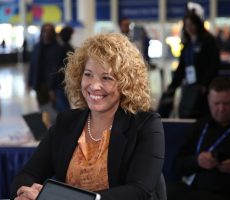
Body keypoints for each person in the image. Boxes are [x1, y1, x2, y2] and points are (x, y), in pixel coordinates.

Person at [11, 33, 166, 200]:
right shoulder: (66, 122)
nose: (94, 85)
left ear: (126, 83)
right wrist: (24, 194)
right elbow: (27, 174)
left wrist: (62, 199)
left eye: (106, 77)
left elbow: (138, 191)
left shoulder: (147, 125)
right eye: (88, 74)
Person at [167, 77, 230, 200]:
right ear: (208, 101)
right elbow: (176, 165)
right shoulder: (200, 126)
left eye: (226, 103)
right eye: (216, 103)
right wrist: (197, 160)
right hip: (195, 189)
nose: (221, 109)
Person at [157, 10, 220, 118]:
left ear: (197, 24)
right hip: (190, 85)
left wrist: (205, 84)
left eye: (191, 24)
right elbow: (182, 67)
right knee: (187, 112)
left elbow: (214, 64)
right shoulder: (187, 43)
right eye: (187, 25)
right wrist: (172, 86)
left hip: (204, 87)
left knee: (202, 113)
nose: (189, 28)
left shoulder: (208, 40)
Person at [27, 23, 64, 121]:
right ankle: (46, 128)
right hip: (39, 83)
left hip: (52, 84)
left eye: (49, 31)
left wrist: (52, 88)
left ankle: (55, 128)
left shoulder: (58, 48)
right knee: (43, 108)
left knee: (53, 108)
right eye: (45, 31)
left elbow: (56, 69)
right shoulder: (37, 47)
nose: (46, 34)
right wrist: (29, 82)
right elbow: (33, 65)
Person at [53, 25, 74, 112]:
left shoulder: (64, 47)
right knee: (63, 105)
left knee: (62, 105)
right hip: (62, 81)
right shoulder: (64, 48)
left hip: (63, 82)